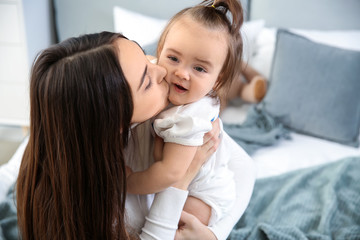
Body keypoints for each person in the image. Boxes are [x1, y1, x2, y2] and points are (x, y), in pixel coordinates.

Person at [126, 0, 253, 229]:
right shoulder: (156, 72)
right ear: (160, 50)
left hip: (204, 194)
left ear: (219, 79)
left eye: (199, 68)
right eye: (173, 58)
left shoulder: (189, 118)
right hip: (179, 179)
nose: (181, 73)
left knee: (178, 225)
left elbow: (170, 174)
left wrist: (128, 182)